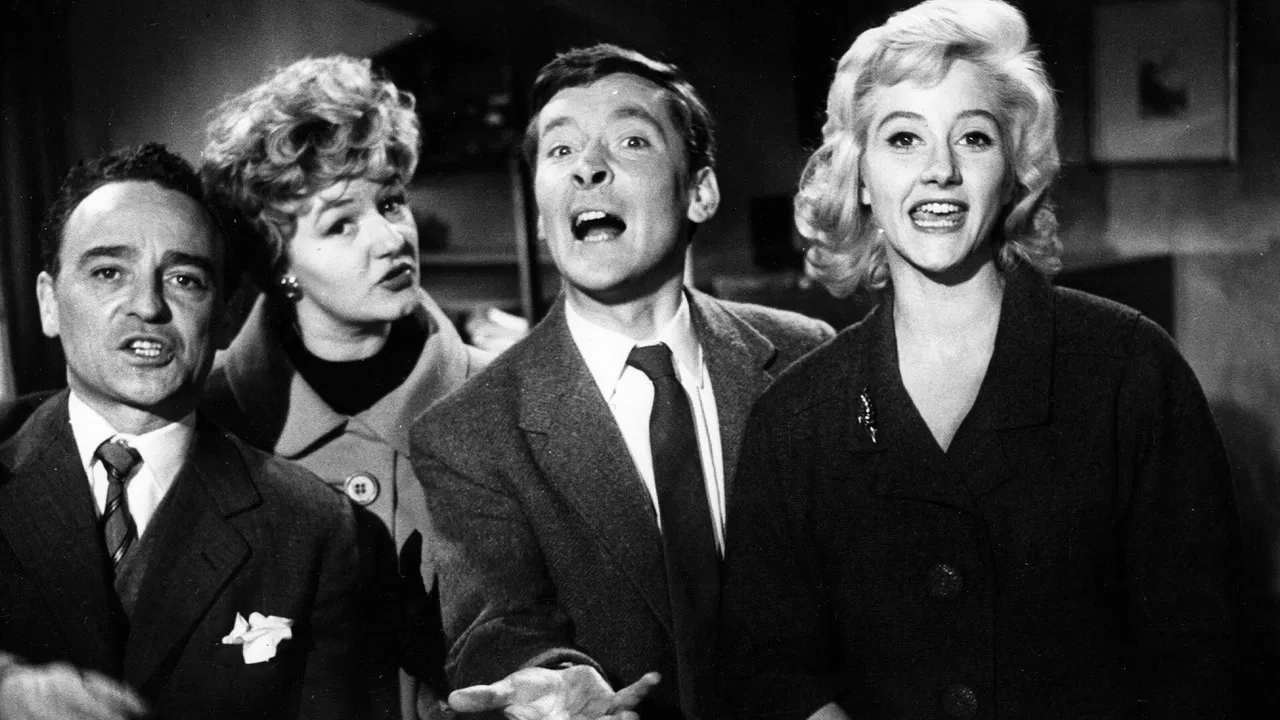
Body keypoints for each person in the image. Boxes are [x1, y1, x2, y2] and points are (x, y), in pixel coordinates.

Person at [717, 2, 1240, 719]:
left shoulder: (1131, 370)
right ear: (861, 177)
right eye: (904, 138)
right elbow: (770, 666)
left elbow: (1203, 658)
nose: (940, 170)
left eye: (972, 137)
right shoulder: (794, 417)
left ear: (1014, 173)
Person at [411, 44, 834, 720]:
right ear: (541, 213)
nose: (588, 167)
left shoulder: (805, 356)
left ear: (700, 192)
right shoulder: (468, 432)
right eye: (560, 150)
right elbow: (499, 626)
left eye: (631, 140)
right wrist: (551, 682)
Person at [0, 143, 364, 719]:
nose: (147, 306)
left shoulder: (311, 525)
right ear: (49, 302)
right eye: (108, 272)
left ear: (223, 317)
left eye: (184, 279)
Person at [199, 55, 491, 720]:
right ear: (279, 263)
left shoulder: (500, 398)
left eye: (390, 202)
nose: (390, 239)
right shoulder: (206, 422)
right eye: (340, 223)